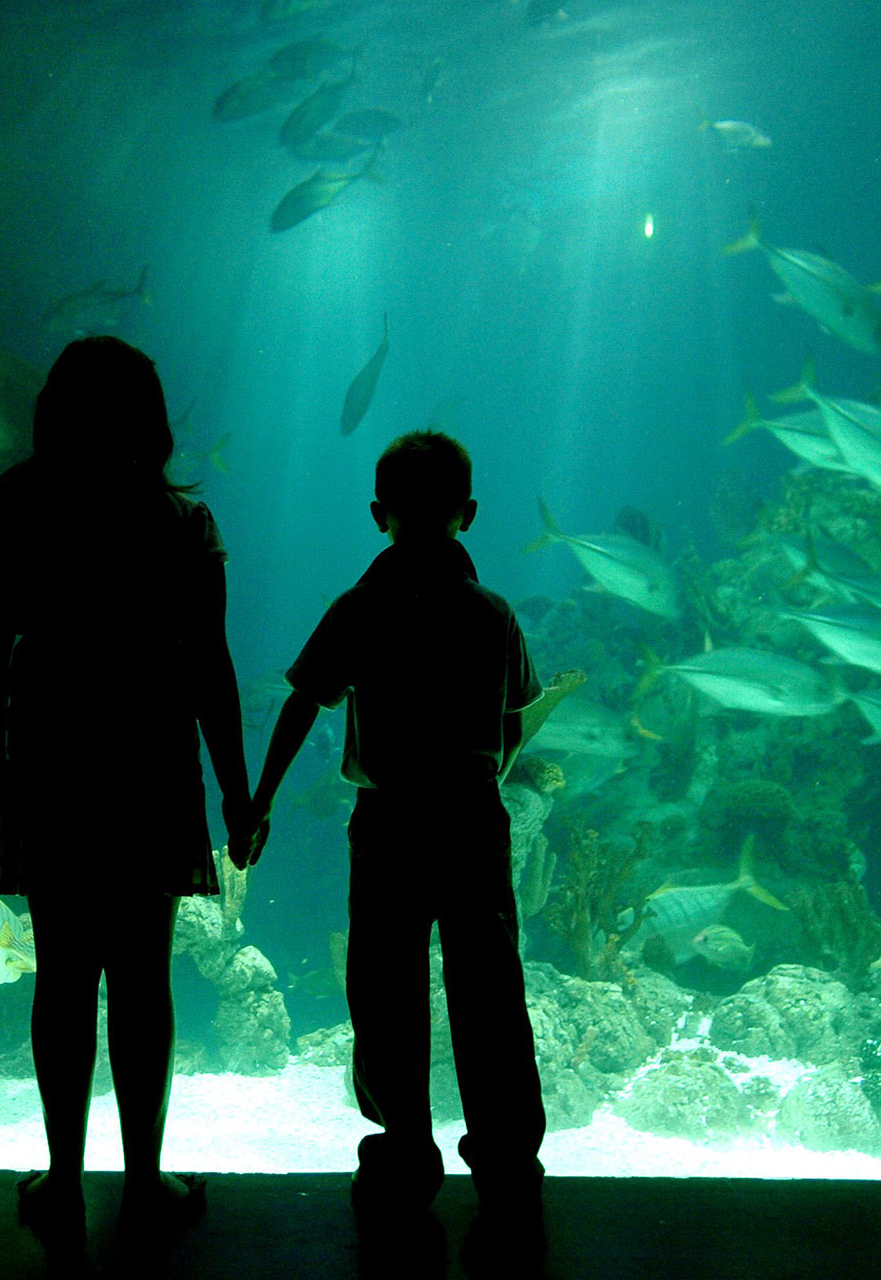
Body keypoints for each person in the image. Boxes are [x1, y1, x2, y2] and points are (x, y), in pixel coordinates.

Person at [237, 430, 577, 1218]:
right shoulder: (493, 614)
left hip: (388, 822)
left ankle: (404, 1142)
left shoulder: (359, 608)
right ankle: (506, 1151)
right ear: (470, 513)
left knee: (385, 985)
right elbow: (513, 721)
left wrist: (259, 802)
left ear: (377, 514)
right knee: (489, 985)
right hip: (471, 818)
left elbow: (300, 702)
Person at [0, 336, 253, 1232]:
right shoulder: (179, 521)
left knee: (61, 975)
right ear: (150, 417)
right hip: (149, 765)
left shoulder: (20, 501)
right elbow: (212, 669)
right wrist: (239, 790)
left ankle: (61, 1179)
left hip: (49, 758)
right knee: (141, 977)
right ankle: (141, 1180)